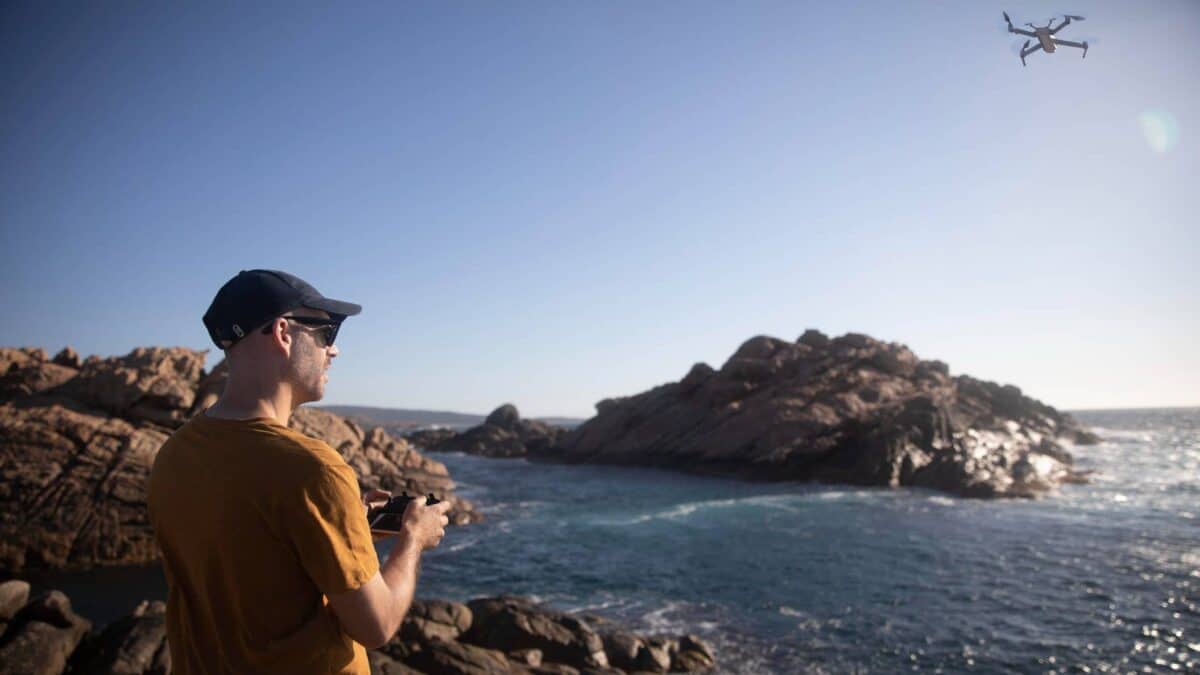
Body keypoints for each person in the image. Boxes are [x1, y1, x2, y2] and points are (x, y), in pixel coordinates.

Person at [148, 269, 450, 674]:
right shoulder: (313, 470)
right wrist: (413, 539)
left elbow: (247, 558)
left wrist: (346, 524)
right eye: (328, 332)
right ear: (282, 332)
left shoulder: (174, 454)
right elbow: (376, 624)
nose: (334, 350)